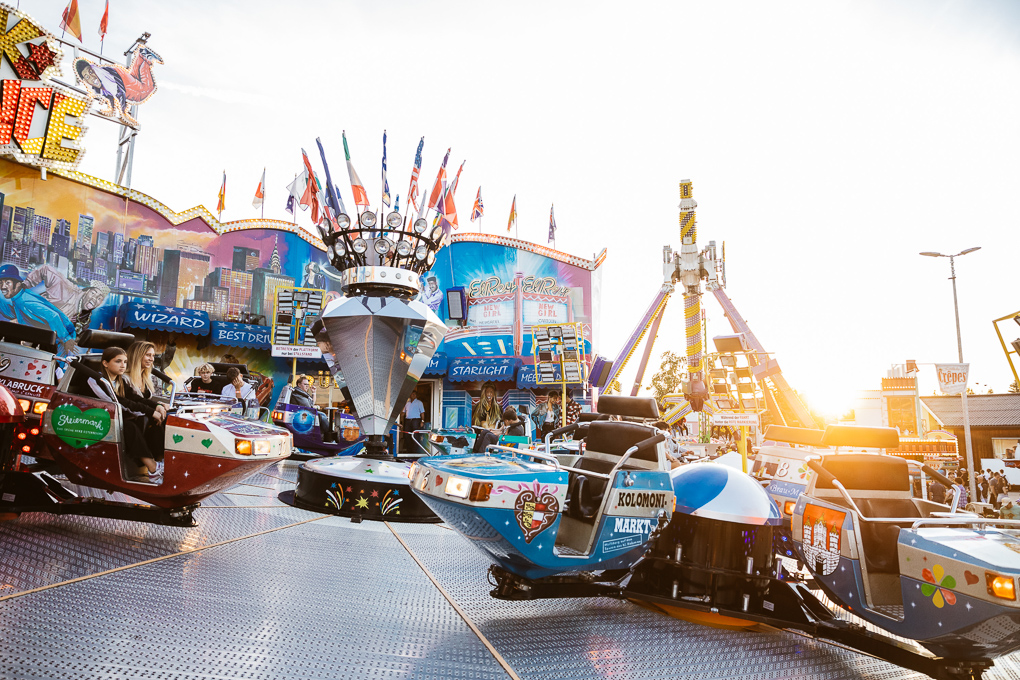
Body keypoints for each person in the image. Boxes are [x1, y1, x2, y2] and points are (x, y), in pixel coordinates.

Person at [89, 347, 164, 484]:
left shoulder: (119, 381)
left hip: (116, 415)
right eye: (118, 361)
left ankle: (159, 461)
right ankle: (153, 469)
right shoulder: (97, 380)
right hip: (97, 418)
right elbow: (119, 401)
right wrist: (149, 411)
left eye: (125, 362)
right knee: (129, 426)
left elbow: (135, 398)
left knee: (151, 421)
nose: (123, 365)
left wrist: (156, 406)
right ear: (105, 363)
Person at [0, 264, 77, 355]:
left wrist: (66, 339)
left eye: (7, 283)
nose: (3, 287)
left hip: (61, 339)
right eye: (1, 283)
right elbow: (13, 314)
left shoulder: (25, 301)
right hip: (47, 337)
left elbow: (53, 316)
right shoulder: (18, 299)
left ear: (17, 284)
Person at [289, 375, 331, 439]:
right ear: (299, 384)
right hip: (300, 416)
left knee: (323, 415)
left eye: (308, 384)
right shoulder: (297, 394)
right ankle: (327, 437)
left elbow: (311, 402)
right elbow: (308, 406)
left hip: (303, 414)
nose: (307, 386)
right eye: (305, 384)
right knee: (322, 416)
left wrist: (314, 393)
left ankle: (325, 435)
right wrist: (316, 407)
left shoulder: (302, 393)